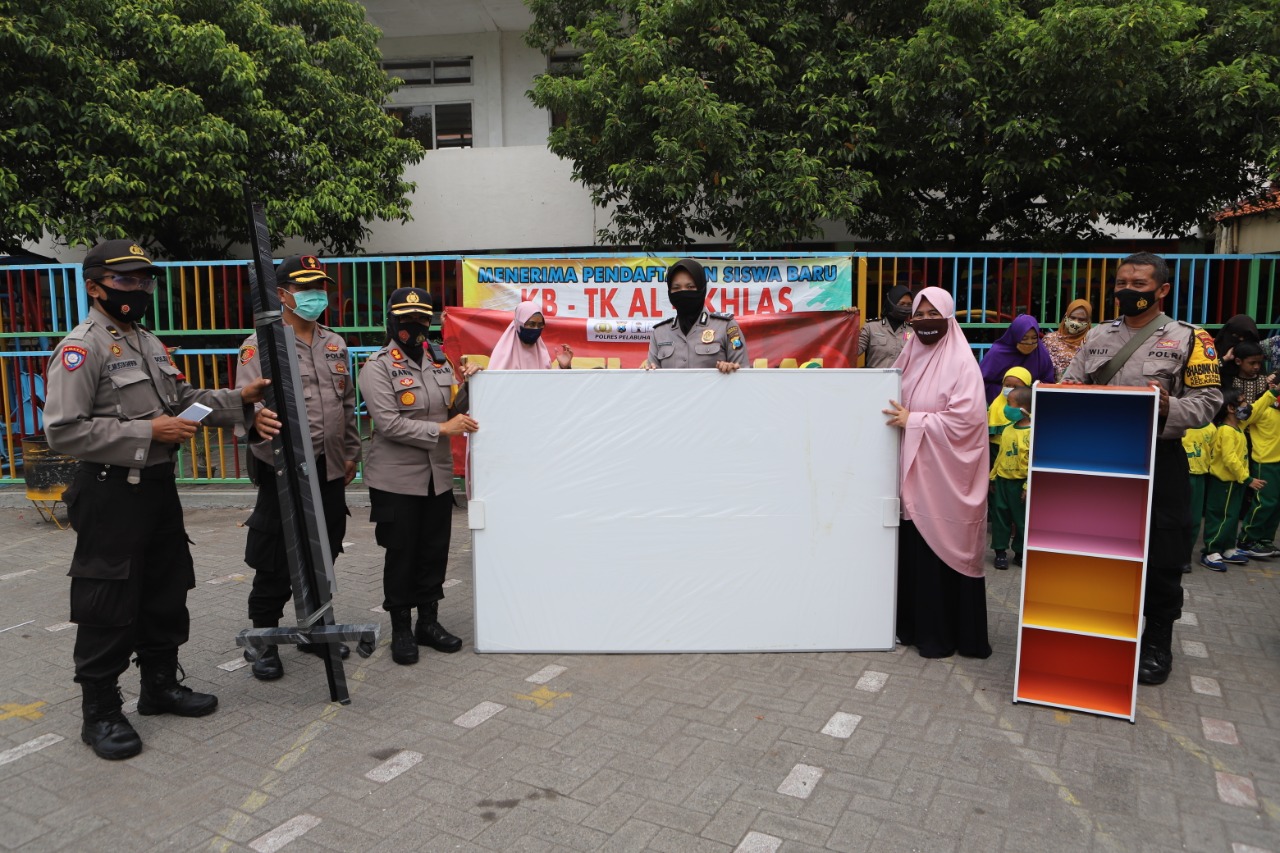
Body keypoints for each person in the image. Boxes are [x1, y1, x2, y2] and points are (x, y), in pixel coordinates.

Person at [44, 238, 270, 760]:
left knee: (167, 585)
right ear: (95, 286)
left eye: (145, 280)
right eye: (126, 280)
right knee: (109, 601)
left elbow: (183, 403)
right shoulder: (82, 347)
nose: (139, 289)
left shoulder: (147, 341)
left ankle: (159, 687)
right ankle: (100, 713)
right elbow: (64, 431)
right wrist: (148, 434)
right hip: (110, 492)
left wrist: (239, 400)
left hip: (158, 489)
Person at [1062, 252, 1222, 685]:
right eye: (1122, 283)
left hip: (1158, 459)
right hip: (1100, 461)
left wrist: (1170, 406)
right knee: (1098, 552)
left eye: (1139, 284)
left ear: (1162, 290)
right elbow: (1072, 386)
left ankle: (1156, 641)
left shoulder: (1191, 338)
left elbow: (1209, 404)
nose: (1127, 291)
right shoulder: (1096, 336)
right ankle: (1104, 629)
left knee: (1163, 556)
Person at [234, 255, 361, 680]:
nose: (315, 295)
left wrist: (349, 454)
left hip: (328, 467)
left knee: (324, 551)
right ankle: (264, 638)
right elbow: (244, 403)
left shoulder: (335, 343)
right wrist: (254, 422)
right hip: (284, 469)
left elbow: (345, 404)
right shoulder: (262, 344)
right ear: (283, 293)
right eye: (305, 287)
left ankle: (317, 627)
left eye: (320, 287)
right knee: (275, 556)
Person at [358, 288, 479, 665]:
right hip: (396, 481)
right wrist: (443, 431)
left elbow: (452, 408)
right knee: (402, 554)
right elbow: (389, 424)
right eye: (406, 318)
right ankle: (401, 629)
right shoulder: (376, 366)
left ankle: (429, 622)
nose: (415, 325)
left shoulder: (439, 360)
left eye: (422, 319)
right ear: (392, 320)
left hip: (437, 478)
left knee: (433, 551)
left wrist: (473, 384)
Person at [883, 286, 992, 659]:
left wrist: (914, 421)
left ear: (948, 318)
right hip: (913, 475)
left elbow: (968, 420)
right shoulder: (909, 355)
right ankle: (914, 629)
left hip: (946, 479)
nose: (926, 321)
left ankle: (948, 636)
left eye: (934, 315)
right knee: (915, 552)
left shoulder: (963, 363)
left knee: (943, 549)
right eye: (920, 314)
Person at [642, 259, 749, 372]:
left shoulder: (725, 326)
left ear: (702, 289)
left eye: (690, 287)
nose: (683, 292)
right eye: (676, 288)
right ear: (670, 292)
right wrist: (649, 372)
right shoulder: (659, 332)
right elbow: (652, 384)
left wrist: (732, 369)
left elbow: (743, 373)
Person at [1200, 389, 1261, 571]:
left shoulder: (1238, 429)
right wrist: (1247, 478)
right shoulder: (1226, 431)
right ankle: (1211, 550)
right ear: (1231, 408)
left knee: (1232, 516)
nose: (1246, 406)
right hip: (1224, 482)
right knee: (1220, 516)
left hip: (1236, 482)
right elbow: (1229, 459)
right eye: (1242, 402)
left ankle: (1227, 547)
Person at [1237, 371, 1280, 559]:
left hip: (1278, 462)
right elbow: (1246, 416)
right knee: (1264, 502)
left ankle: (1265, 540)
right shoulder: (1260, 408)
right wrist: (1270, 394)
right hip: (1265, 462)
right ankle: (1246, 539)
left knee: (1276, 505)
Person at [990, 386, 1032, 570]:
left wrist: (1027, 486)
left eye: (1010, 404)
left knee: (1021, 520)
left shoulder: (1032, 433)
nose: (1006, 408)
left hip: (1019, 484)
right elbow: (1001, 456)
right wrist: (992, 477)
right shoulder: (1007, 429)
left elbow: (1032, 463)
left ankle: (1020, 553)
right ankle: (1000, 552)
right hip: (1002, 481)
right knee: (1000, 517)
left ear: (1023, 409)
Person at [979, 315, 1055, 403]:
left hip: (1032, 404)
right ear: (1015, 335)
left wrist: (1029, 394)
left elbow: (1048, 381)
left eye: (1034, 338)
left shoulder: (1040, 352)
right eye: (1024, 338)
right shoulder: (997, 353)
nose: (1029, 342)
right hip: (1001, 402)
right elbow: (982, 382)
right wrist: (1008, 392)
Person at [487, 301, 573, 370]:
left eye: (540, 325)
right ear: (519, 324)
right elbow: (493, 385)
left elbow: (549, 385)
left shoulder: (542, 355)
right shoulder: (503, 356)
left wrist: (564, 367)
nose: (536, 329)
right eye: (531, 324)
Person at [1182, 417, 1217, 573]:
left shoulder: (1211, 428)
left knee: (1194, 519)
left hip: (1200, 476)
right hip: (1180, 476)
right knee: (1176, 518)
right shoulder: (1179, 425)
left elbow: (1214, 452)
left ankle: (1185, 557)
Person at [852, 284, 914, 368]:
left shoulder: (913, 331)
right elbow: (851, 352)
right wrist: (849, 321)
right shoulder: (871, 327)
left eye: (909, 304)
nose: (905, 308)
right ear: (891, 304)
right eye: (902, 304)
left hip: (902, 380)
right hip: (876, 380)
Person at [986, 366, 1032, 460]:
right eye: (1007, 385)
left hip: (1017, 448)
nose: (1010, 389)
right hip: (996, 446)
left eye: (1015, 387)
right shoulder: (996, 404)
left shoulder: (1028, 409)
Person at [1041, 299, 1092, 381]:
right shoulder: (1049, 340)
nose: (1075, 322)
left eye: (1081, 319)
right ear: (1066, 317)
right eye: (1072, 318)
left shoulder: (1091, 342)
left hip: (1080, 389)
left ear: (1088, 321)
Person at [1214, 314, 1261, 390]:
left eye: (1245, 338)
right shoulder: (1211, 351)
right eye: (1236, 336)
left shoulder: (1256, 358)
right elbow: (1205, 372)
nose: (1240, 341)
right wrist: (1224, 359)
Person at [1225, 340, 1268, 405]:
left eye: (1259, 363)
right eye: (1252, 363)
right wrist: (1225, 359)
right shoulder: (1230, 381)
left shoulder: (1265, 381)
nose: (1256, 367)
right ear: (1238, 361)